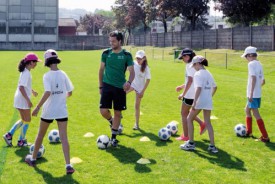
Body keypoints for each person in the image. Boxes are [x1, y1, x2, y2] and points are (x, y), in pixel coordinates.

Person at [25, 49, 75, 175]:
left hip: (48, 110)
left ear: (46, 61)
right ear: (56, 60)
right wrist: (61, 96)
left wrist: (37, 107)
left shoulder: (47, 76)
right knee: (64, 137)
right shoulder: (63, 74)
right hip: (61, 110)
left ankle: (33, 159)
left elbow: (48, 92)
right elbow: (70, 92)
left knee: (40, 135)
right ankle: (68, 165)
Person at [99, 31, 135, 147]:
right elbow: (101, 70)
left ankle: (114, 138)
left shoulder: (126, 55)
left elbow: (132, 72)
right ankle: (111, 121)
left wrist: (128, 82)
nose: (111, 43)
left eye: (113, 41)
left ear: (120, 41)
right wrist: (100, 86)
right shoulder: (106, 53)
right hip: (107, 85)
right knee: (103, 111)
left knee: (118, 112)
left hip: (120, 87)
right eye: (110, 41)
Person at [180, 55, 218, 153]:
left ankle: (191, 143)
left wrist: (195, 102)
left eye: (194, 65)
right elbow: (215, 87)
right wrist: (210, 96)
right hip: (208, 100)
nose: (194, 67)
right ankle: (212, 146)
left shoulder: (197, 74)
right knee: (208, 122)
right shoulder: (208, 73)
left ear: (198, 64)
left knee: (189, 119)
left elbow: (198, 88)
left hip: (199, 101)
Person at [3, 53, 41, 147]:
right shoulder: (26, 73)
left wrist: (32, 91)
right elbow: (21, 88)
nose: (36, 64)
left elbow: (24, 85)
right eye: (35, 62)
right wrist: (28, 100)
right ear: (31, 62)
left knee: (24, 119)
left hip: (19, 98)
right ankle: (21, 141)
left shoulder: (25, 71)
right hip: (22, 99)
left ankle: (9, 135)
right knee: (27, 120)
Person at [175, 48, 206, 141]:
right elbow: (192, 81)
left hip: (190, 95)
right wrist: (181, 86)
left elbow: (190, 80)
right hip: (196, 94)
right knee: (188, 113)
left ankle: (186, 136)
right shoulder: (196, 65)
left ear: (187, 56)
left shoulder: (189, 66)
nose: (182, 60)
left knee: (183, 113)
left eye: (183, 58)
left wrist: (183, 94)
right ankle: (202, 123)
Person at [241, 46, 269, 142]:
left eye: (246, 57)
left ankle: (265, 136)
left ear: (249, 55)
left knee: (256, 113)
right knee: (247, 110)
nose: (246, 59)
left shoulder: (251, 64)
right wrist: (257, 89)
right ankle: (249, 132)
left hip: (252, 94)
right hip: (256, 93)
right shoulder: (259, 64)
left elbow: (253, 78)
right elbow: (263, 81)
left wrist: (251, 94)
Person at [126, 50, 151, 130]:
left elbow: (148, 80)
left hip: (140, 88)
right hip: (132, 85)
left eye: (140, 58)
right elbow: (125, 69)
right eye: (137, 58)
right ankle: (119, 114)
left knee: (137, 106)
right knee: (121, 95)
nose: (138, 60)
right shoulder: (133, 63)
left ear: (144, 58)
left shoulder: (146, 68)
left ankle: (136, 124)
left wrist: (142, 92)